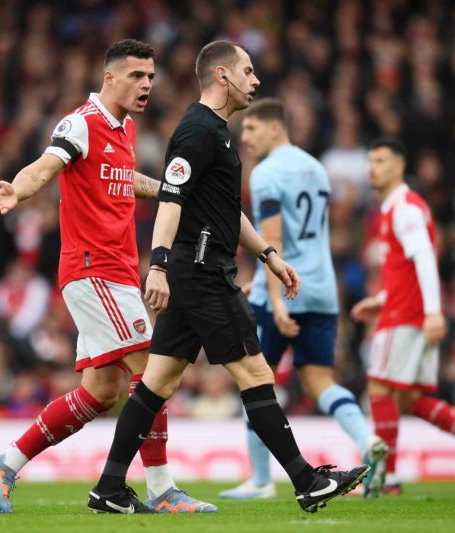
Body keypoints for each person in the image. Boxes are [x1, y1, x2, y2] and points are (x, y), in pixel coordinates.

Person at [86, 40, 369, 516]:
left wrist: (270, 256)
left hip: (195, 267)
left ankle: (109, 487)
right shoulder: (197, 132)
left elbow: (224, 211)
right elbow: (172, 200)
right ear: (222, 76)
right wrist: (156, 263)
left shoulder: (216, 134)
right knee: (256, 372)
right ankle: (306, 481)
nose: (256, 81)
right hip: (200, 269)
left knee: (157, 381)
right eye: (249, 70)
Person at [0, 39, 215, 514]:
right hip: (94, 269)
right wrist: (17, 191)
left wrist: (173, 191)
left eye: (150, 76)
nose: (147, 84)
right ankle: (162, 490)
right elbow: (46, 166)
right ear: (110, 78)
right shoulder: (81, 123)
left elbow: (128, 184)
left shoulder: (124, 130)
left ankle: (5, 462)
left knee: (102, 391)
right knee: (155, 368)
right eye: (136, 76)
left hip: (117, 271)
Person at [218, 98, 388, 501]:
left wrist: (273, 299)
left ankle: (260, 480)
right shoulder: (317, 168)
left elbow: (273, 241)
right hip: (322, 287)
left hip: (284, 284)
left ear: (275, 128)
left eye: (252, 129)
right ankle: (367, 441)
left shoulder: (265, 174)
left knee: (253, 379)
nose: (245, 137)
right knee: (319, 380)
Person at [351, 138, 455, 494]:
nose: (372, 167)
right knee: (408, 400)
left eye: (381, 161)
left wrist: (434, 313)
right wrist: (380, 298)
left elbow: (424, 260)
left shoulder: (403, 208)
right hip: (406, 310)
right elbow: (407, 270)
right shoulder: (397, 208)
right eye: (370, 160)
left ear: (399, 167)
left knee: (378, 387)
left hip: (406, 317)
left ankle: (386, 477)